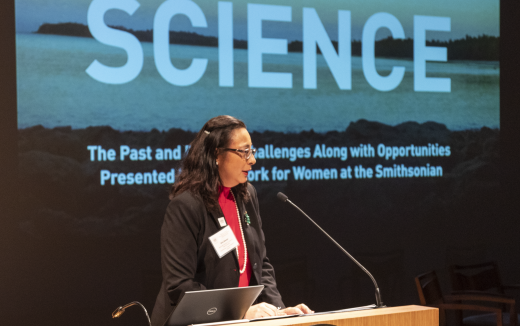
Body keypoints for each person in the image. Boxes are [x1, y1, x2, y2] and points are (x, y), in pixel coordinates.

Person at [151, 115, 313, 326]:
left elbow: (260, 265)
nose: (252, 160)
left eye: (252, 151)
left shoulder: (247, 195)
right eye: (244, 152)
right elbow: (179, 286)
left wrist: (279, 312)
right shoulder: (186, 206)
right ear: (216, 154)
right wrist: (239, 312)